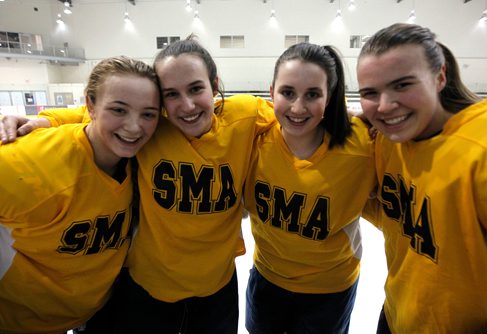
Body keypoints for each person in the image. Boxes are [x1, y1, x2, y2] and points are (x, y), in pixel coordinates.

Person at [1, 37, 276, 333]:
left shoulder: (245, 115)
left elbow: (296, 114)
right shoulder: (155, 127)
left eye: (196, 88)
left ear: (215, 84)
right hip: (146, 290)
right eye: (171, 94)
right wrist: (46, 120)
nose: (186, 105)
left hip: (216, 290)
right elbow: (102, 111)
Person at [0, 56, 161, 333]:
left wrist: (50, 118)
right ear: (90, 105)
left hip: (96, 313)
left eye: (148, 114)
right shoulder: (27, 162)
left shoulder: (146, 156)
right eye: (119, 110)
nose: (134, 127)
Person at [357, 23, 487, 333]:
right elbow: (403, 220)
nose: (384, 105)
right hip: (397, 315)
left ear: (440, 76)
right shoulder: (387, 141)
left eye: (403, 85)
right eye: (370, 92)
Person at [243, 42, 376, 334]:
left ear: (329, 98)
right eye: (287, 93)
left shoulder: (363, 147)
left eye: (313, 94)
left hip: (329, 290)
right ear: (271, 93)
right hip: (268, 279)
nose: (298, 108)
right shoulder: (253, 139)